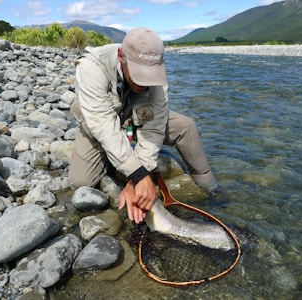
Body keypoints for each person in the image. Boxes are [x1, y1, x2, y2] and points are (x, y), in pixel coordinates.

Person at [69, 27, 217, 224]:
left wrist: (136, 178)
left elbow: (155, 128)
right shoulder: (92, 66)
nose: (146, 82)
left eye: (151, 75)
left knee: (185, 126)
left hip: (137, 118)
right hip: (99, 122)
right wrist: (139, 175)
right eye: (140, 74)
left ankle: (211, 191)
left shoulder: (158, 74)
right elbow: (103, 125)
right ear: (122, 56)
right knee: (81, 182)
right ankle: (110, 161)